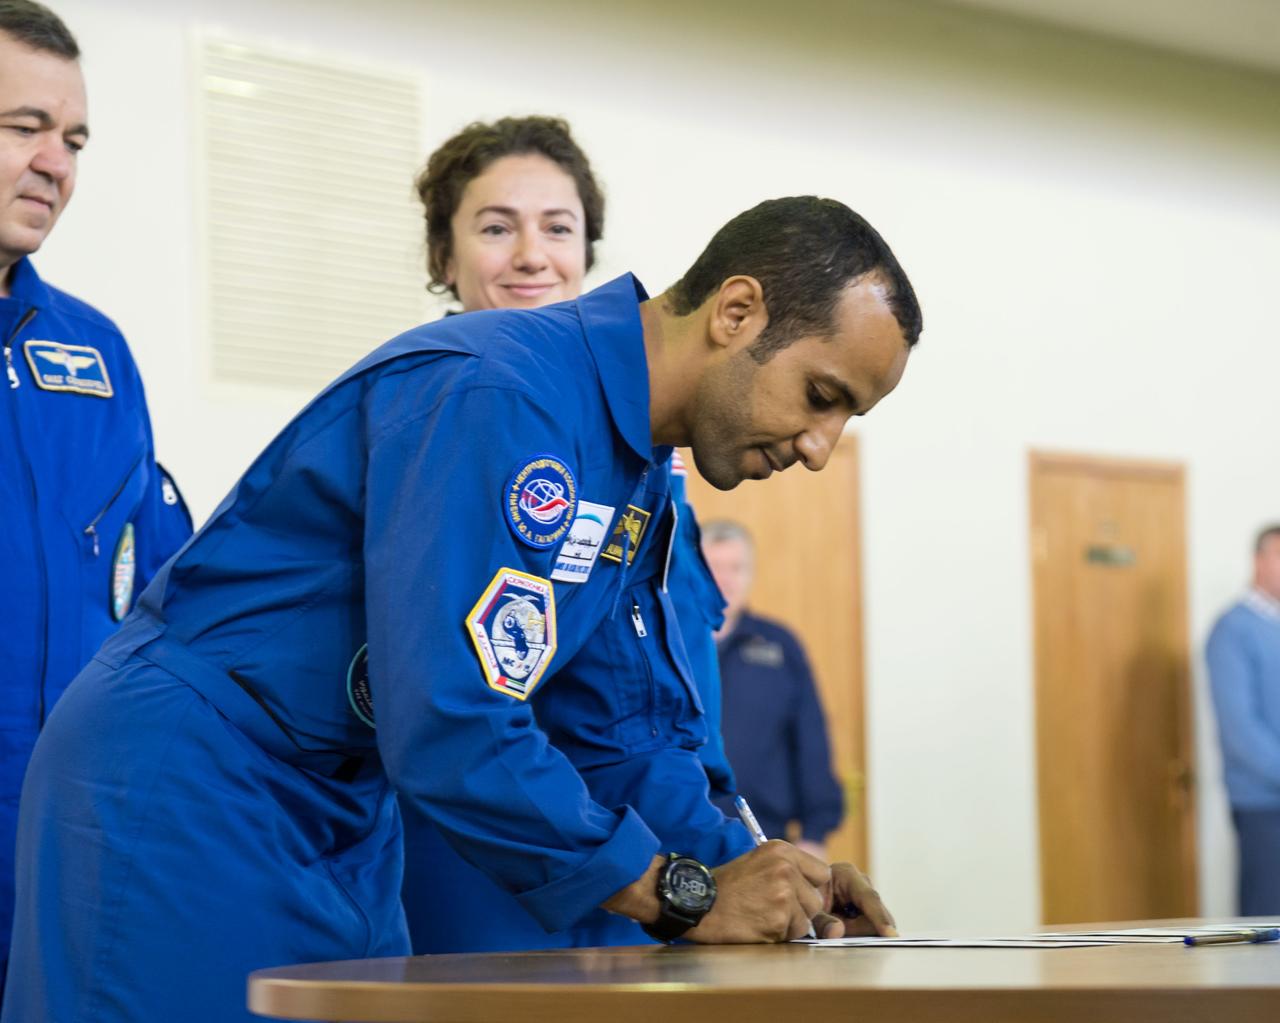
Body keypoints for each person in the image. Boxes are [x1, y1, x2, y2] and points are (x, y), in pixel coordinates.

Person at [4, 195, 919, 1023]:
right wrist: (681, 893)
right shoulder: (501, 392)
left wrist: (762, 880)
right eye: (821, 396)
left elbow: (615, 734)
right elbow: (454, 721)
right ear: (736, 312)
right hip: (191, 780)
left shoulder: (634, 471)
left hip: (343, 803)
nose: (819, 447)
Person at [402, 115, 738, 953]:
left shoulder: (646, 464)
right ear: (444, 259)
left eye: (558, 228)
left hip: (642, 869)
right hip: (487, 872)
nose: (531, 255)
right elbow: (455, 704)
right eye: (494, 227)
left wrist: (734, 852)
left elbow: (669, 704)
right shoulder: (440, 417)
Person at [0, 0, 191, 991]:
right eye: (22, 127)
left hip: (69, 855)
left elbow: (162, 603)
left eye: (71, 138)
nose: (56, 164)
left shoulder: (97, 355)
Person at [702, 519, 844, 858]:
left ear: (750, 575)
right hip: (675, 836)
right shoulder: (666, 642)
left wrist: (815, 833)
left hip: (764, 841)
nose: (725, 579)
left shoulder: (779, 646)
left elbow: (810, 739)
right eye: (714, 566)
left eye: (736, 568)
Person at [1206, 524, 1280, 916]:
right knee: (1267, 926)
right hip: (1264, 807)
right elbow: (1241, 731)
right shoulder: (1233, 630)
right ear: (1259, 561)